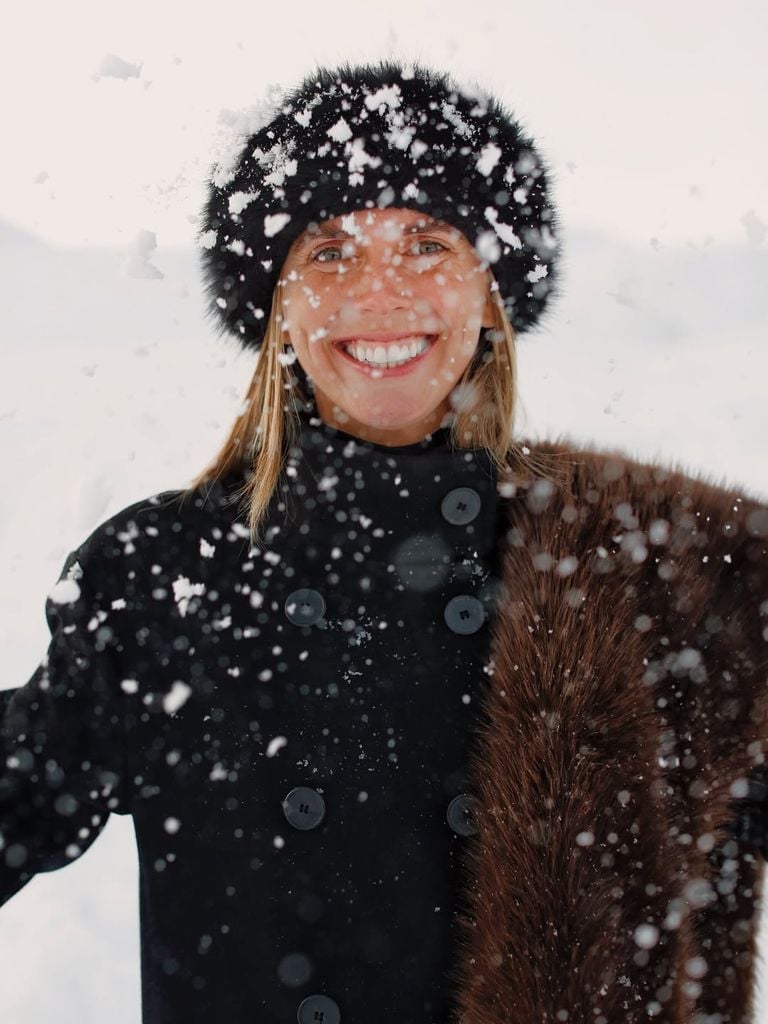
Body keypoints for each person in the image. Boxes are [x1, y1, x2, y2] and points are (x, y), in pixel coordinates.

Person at [1, 59, 767, 1024]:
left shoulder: (646, 575)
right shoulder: (166, 577)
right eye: (328, 253)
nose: (381, 292)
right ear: (278, 304)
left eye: (428, 242)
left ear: (492, 291)